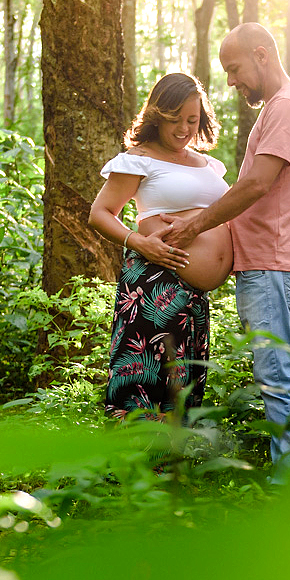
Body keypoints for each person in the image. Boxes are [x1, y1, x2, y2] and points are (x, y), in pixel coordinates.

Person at [162, 23, 290, 467]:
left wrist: (195, 225)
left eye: (234, 69)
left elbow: (255, 184)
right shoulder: (283, 106)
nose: (232, 82)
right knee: (279, 373)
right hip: (272, 261)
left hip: (273, 262)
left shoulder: (288, 106)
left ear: (262, 54)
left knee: (277, 376)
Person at [88, 73, 234, 421]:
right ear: (157, 115)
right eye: (175, 119)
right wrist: (139, 242)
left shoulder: (208, 164)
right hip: (156, 286)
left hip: (193, 298)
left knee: (180, 391)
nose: (184, 128)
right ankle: (133, 469)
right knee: (143, 382)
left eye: (192, 120)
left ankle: (171, 472)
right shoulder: (139, 159)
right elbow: (99, 213)